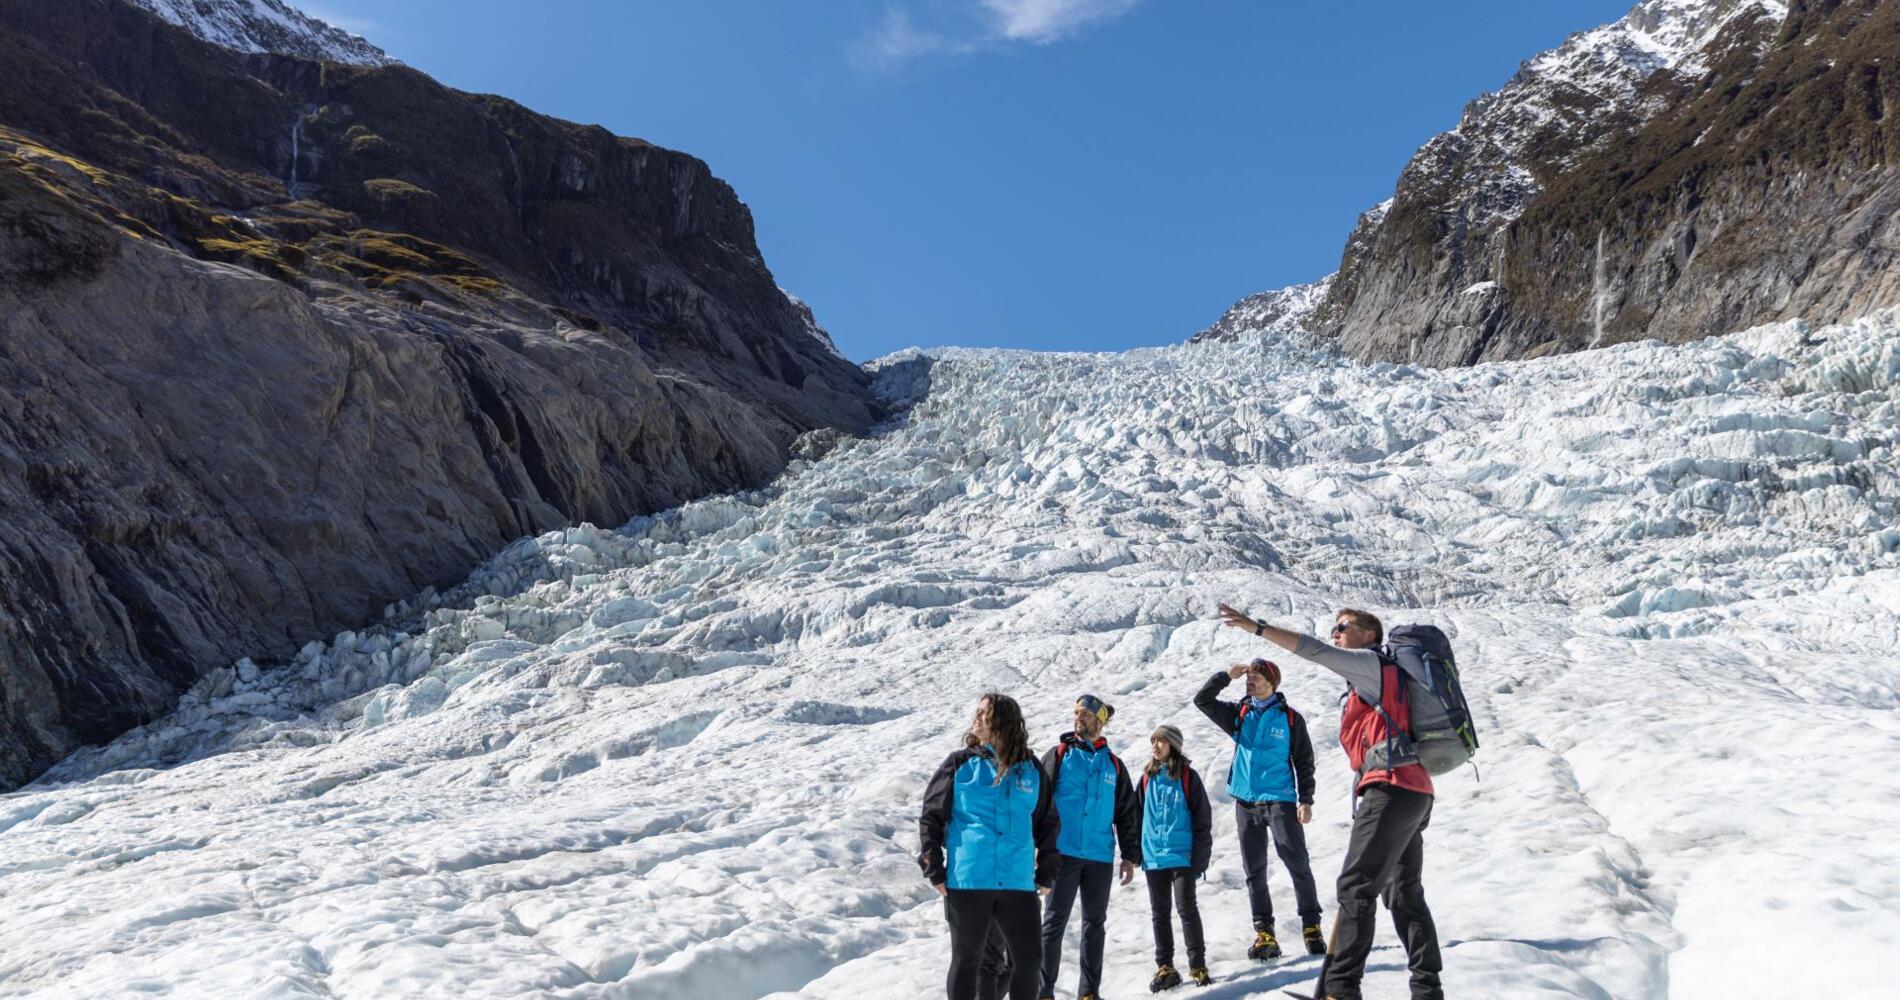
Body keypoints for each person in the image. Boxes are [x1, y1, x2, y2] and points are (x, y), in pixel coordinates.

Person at [1217, 603, 1443, 1000]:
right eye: (1334, 627)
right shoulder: (1386, 682)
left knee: (1356, 888)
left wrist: (1258, 628)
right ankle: (1427, 990)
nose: (1336, 632)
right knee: (1404, 893)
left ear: (1370, 635)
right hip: (1413, 792)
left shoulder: (1371, 665)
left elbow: (1313, 649)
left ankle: (1340, 991)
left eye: (1344, 626)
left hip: (1390, 789)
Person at [920, 693, 1061, 1000]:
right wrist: (933, 866)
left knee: (1029, 961)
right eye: (978, 712)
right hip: (970, 879)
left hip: (1018, 881)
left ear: (1004, 721)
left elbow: (1048, 822)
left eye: (986, 713)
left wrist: (1048, 868)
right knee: (967, 960)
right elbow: (931, 815)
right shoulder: (959, 763)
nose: (978, 717)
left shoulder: (1031, 769)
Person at [1193, 657, 1323, 961]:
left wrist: (1306, 799)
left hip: (1280, 800)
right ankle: (1264, 933)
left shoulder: (1290, 719)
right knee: (1254, 871)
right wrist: (1227, 675)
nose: (1250, 681)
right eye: (1248, 677)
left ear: (1272, 683)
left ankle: (1311, 926)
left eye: (1256, 677)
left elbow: (1304, 761)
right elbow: (1202, 700)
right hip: (1245, 802)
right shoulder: (1239, 714)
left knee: (1297, 862)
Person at [1037, 694, 1142, 1000]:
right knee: (1053, 923)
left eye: (1085, 714)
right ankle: (1044, 993)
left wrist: (1129, 856)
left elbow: (1126, 813)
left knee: (1094, 925)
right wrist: (1038, 847)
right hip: (1062, 853)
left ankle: (1089, 993)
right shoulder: (1058, 755)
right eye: (1076, 713)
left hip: (1098, 856)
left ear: (1100, 721)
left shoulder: (1114, 766)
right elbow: (1039, 804)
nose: (1078, 717)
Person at [1137, 724, 1213, 991]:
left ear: (1173, 745)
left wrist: (1200, 858)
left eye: (1161, 741)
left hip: (1181, 856)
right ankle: (1165, 966)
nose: (1155, 746)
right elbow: (1136, 816)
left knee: (1187, 910)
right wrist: (1136, 852)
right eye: (1153, 741)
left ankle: (1198, 965)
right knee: (1159, 914)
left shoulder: (1188, 777)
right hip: (1153, 856)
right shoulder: (1147, 778)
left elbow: (1202, 819)